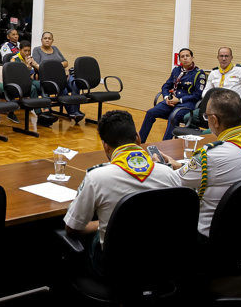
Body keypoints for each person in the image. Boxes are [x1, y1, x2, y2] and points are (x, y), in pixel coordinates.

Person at [63, 109, 180, 274]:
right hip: (162, 264)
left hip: (114, 269)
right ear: (138, 138)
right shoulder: (169, 174)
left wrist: (103, 224)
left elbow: (72, 228)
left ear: (105, 146)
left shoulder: (96, 177)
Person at [174, 88, 241, 237]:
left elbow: (173, 181)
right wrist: (182, 166)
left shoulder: (209, 156)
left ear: (214, 120)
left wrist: (167, 166)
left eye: (207, 117)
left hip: (210, 238)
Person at [138, 48, 206, 142]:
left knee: (173, 117)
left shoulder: (199, 74)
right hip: (171, 101)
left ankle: (164, 146)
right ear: (179, 60)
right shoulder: (176, 71)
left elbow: (198, 94)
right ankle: (139, 142)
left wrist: (179, 100)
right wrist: (166, 97)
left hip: (186, 103)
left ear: (192, 58)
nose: (185, 58)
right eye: (182, 56)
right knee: (150, 112)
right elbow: (166, 86)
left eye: (187, 56)